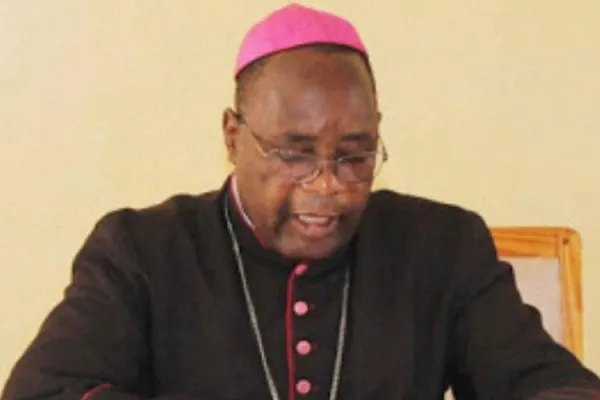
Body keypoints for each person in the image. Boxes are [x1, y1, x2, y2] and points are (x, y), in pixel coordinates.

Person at [3, 3, 600, 400]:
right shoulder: (141, 250)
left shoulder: (443, 247)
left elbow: (547, 382)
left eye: (355, 155)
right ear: (232, 137)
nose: (328, 185)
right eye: (295, 153)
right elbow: (45, 390)